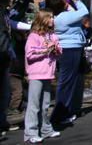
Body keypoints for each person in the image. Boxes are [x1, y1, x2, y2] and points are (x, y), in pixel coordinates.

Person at [46, 0, 88, 125]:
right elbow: (84, 12)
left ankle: (67, 110)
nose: (67, 4)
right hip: (70, 49)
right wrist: (76, 0)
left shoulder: (56, 17)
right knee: (66, 82)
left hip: (65, 48)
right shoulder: (64, 17)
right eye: (65, 2)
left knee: (68, 81)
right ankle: (60, 115)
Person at [24, 9, 61, 143]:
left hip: (48, 73)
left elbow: (58, 52)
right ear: (42, 20)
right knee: (34, 104)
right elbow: (30, 53)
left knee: (45, 104)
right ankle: (30, 132)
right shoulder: (34, 36)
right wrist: (46, 49)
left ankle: (45, 129)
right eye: (49, 17)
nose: (52, 20)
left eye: (52, 17)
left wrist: (56, 49)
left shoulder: (52, 36)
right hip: (36, 74)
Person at [0, 0, 16, 136]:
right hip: (1, 56)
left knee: (5, 93)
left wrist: (13, 55)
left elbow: (10, 30)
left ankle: (2, 121)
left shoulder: (5, 13)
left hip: (5, 56)